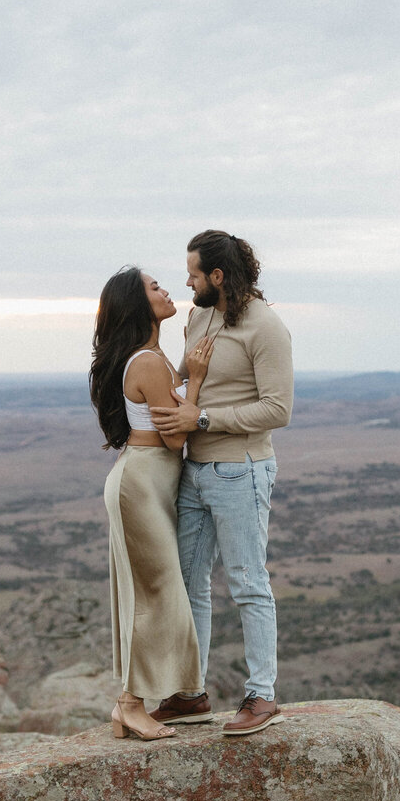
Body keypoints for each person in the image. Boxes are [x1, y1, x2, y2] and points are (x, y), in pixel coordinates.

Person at [150, 230, 292, 735]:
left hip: (241, 469)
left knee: (248, 583)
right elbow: (185, 380)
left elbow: (278, 409)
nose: (187, 283)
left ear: (217, 275)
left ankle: (262, 695)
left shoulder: (266, 327)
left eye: (194, 274)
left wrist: (205, 419)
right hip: (194, 469)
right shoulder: (200, 316)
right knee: (190, 585)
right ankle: (190, 692)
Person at [88, 266, 212, 740]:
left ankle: (138, 701)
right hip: (141, 483)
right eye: (155, 287)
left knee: (154, 591)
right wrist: (195, 379)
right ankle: (130, 704)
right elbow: (175, 435)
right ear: (139, 304)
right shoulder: (146, 361)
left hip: (151, 482)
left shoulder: (153, 356)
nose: (166, 290)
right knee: (153, 593)